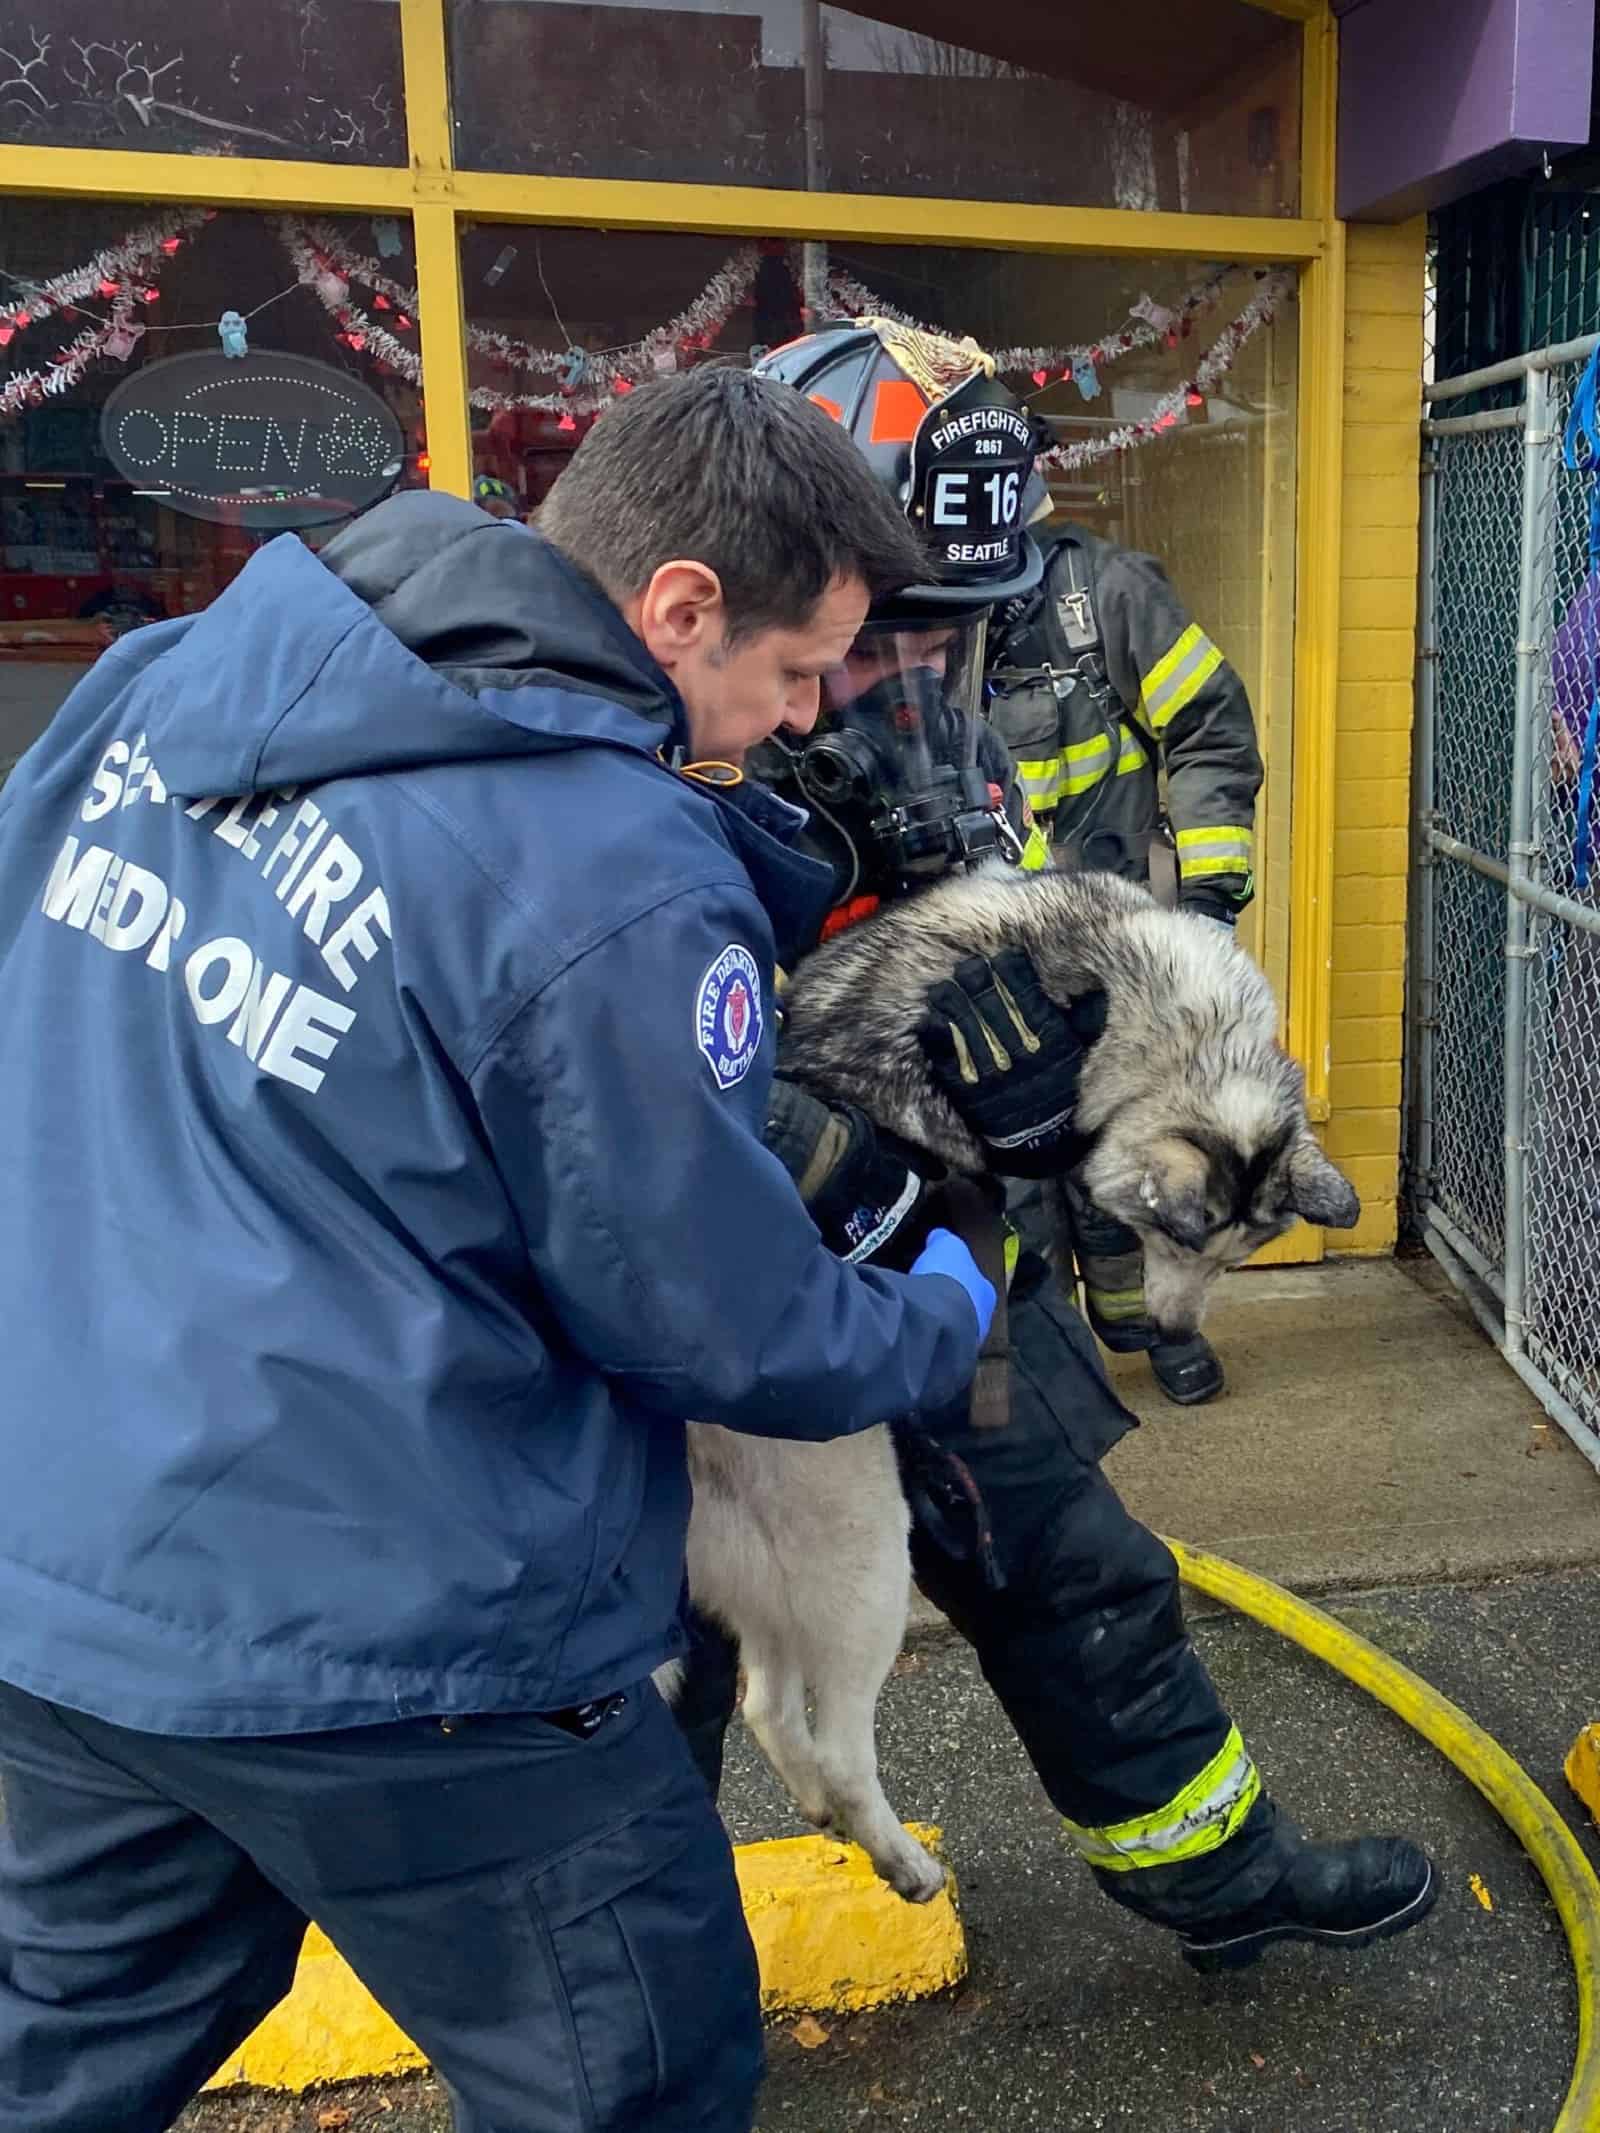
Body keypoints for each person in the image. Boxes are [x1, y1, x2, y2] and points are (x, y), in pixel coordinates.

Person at [0, 369, 1001, 2133]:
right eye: (784, 676)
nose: (787, 723)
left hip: (69, 1580)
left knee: (59, 2054)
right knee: (635, 2072)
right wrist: (938, 1305)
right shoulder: (611, 861)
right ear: (680, 606)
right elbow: (716, 1325)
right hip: (408, 1643)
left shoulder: (157, 685)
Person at [674, 319, 1438, 1978]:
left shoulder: (943, 746)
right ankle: (632, 2016)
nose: (907, 686)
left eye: (950, 639)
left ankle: (1219, 1874)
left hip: (947, 1276)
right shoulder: (648, 776)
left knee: (1075, 1565)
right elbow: (649, 1086)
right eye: (881, 643)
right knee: (639, 1667)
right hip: (710, 1326)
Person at [983, 507, 1265, 1406]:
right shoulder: (908, 612)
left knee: (1137, 1163)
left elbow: (1210, 730)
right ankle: (1045, 1361)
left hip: (1126, 958)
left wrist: (1211, 903)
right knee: (1010, 1182)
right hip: (994, 954)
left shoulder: (1107, 595)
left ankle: (1152, 1326)